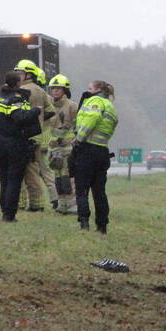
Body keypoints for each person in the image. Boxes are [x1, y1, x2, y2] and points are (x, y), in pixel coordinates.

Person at [0, 71, 41, 222]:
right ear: (18, 83)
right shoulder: (15, 99)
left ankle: (4, 209)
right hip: (14, 145)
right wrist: (36, 110)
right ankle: (9, 214)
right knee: (14, 180)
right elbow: (20, 117)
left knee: (4, 180)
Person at [74, 80, 118, 233]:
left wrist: (79, 138)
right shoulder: (110, 106)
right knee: (99, 191)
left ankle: (84, 222)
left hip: (87, 149)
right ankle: (102, 225)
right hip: (102, 150)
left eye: (90, 88)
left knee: (82, 189)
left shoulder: (95, 101)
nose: (88, 90)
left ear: (98, 89)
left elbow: (91, 119)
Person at [13, 59, 55, 212]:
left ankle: (19, 203)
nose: (17, 75)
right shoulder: (40, 91)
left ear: (28, 75)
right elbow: (51, 111)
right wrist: (39, 120)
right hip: (36, 137)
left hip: (21, 136)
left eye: (20, 73)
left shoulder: (19, 91)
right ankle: (37, 204)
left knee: (17, 171)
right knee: (33, 171)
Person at [47, 74, 78, 214]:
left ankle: (72, 205)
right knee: (58, 178)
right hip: (54, 148)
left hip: (68, 148)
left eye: (58, 88)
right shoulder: (50, 106)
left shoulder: (72, 106)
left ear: (65, 90)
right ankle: (62, 204)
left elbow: (78, 126)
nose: (55, 91)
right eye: (53, 88)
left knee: (68, 178)